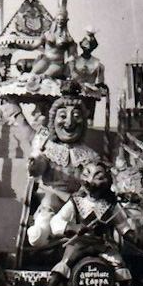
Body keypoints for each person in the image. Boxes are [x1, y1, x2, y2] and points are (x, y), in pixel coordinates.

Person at [42, 160, 132, 286]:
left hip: (101, 244)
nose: (92, 183)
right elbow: (56, 221)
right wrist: (72, 227)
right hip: (80, 242)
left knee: (118, 263)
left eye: (99, 178)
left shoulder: (111, 206)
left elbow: (122, 225)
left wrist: (129, 233)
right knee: (66, 261)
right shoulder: (76, 202)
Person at [26, 88, 99, 247]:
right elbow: (39, 167)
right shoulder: (49, 149)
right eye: (63, 116)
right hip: (51, 196)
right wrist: (34, 163)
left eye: (76, 117)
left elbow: (93, 178)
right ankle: (42, 229)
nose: (69, 122)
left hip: (76, 202)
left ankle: (66, 230)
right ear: (54, 121)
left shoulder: (89, 155)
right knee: (49, 202)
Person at [9, 7, 77, 81]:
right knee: (32, 74)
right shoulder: (47, 34)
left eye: (62, 20)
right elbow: (32, 46)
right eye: (58, 20)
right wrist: (18, 45)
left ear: (66, 21)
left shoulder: (68, 39)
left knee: (44, 77)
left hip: (57, 63)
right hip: (45, 60)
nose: (60, 22)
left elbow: (71, 57)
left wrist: (71, 70)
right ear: (55, 20)